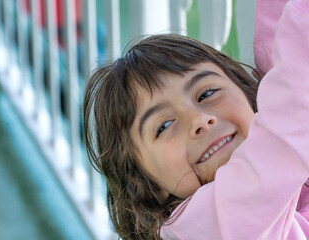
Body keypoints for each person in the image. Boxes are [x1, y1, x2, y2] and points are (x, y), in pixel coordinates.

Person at [83, 0, 309, 239]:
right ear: (141, 183)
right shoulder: (203, 226)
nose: (200, 120)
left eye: (207, 93)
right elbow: (287, 121)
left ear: (247, 90)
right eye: (164, 125)